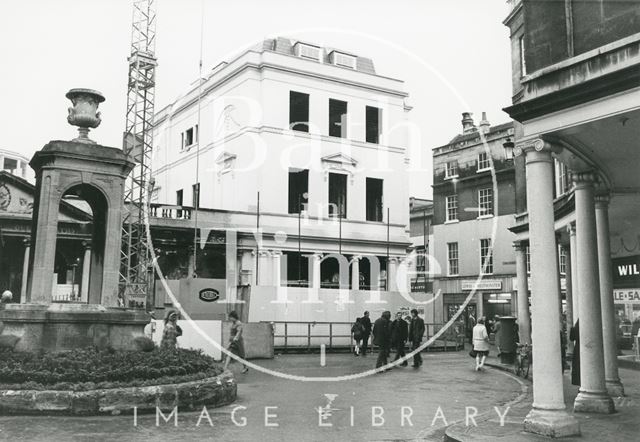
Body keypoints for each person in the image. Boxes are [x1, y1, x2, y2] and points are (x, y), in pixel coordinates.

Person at [570, 319, 580, 386]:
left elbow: (571, 338)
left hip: (577, 349)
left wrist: (572, 329)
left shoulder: (575, 328)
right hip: (582, 347)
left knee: (577, 367)